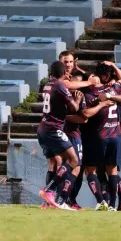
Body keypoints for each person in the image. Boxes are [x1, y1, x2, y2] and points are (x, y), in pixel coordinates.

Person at [62, 71, 113, 210]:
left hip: (87, 136)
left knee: (84, 170)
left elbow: (84, 117)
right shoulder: (66, 94)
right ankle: (65, 200)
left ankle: (68, 200)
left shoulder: (84, 95)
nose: (74, 87)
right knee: (73, 168)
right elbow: (83, 116)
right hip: (72, 135)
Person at [80, 62, 121, 211]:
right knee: (112, 171)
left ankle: (101, 201)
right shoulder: (114, 88)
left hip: (98, 136)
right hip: (116, 135)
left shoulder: (89, 93)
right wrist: (113, 65)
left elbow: (84, 115)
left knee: (90, 170)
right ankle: (112, 205)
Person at [37, 61, 83, 210]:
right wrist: (77, 99)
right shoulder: (59, 86)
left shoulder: (47, 85)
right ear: (64, 73)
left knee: (54, 162)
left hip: (42, 128)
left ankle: (48, 201)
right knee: (74, 160)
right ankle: (49, 191)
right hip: (53, 129)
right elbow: (74, 108)